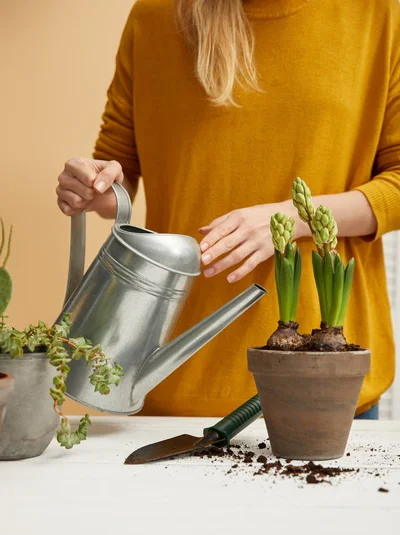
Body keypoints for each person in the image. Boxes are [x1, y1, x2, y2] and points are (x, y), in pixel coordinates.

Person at [56, 0, 400, 419]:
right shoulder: (154, 17)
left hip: (326, 380)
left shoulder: (378, 14)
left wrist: (293, 218)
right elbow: (119, 172)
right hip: (171, 382)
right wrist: (96, 186)